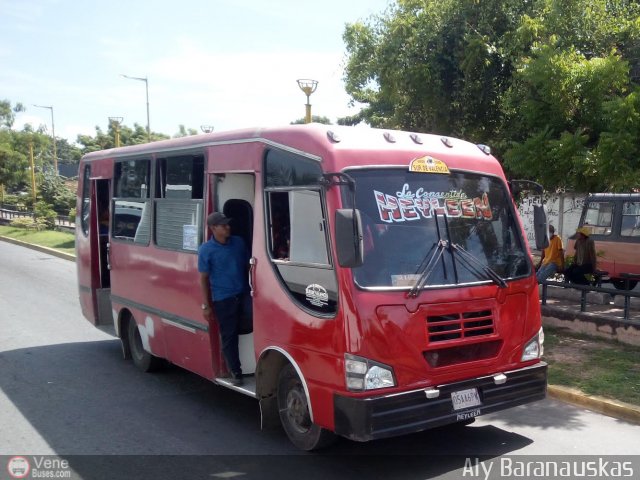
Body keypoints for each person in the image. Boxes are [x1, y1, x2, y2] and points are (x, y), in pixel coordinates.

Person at [198, 212, 251, 386]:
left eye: (228, 224)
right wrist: (206, 305)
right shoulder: (206, 250)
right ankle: (236, 372)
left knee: (256, 321)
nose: (228, 227)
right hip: (223, 299)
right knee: (229, 336)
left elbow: (248, 265)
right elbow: (204, 279)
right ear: (213, 228)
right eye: (223, 225)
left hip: (244, 294)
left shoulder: (238, 242)